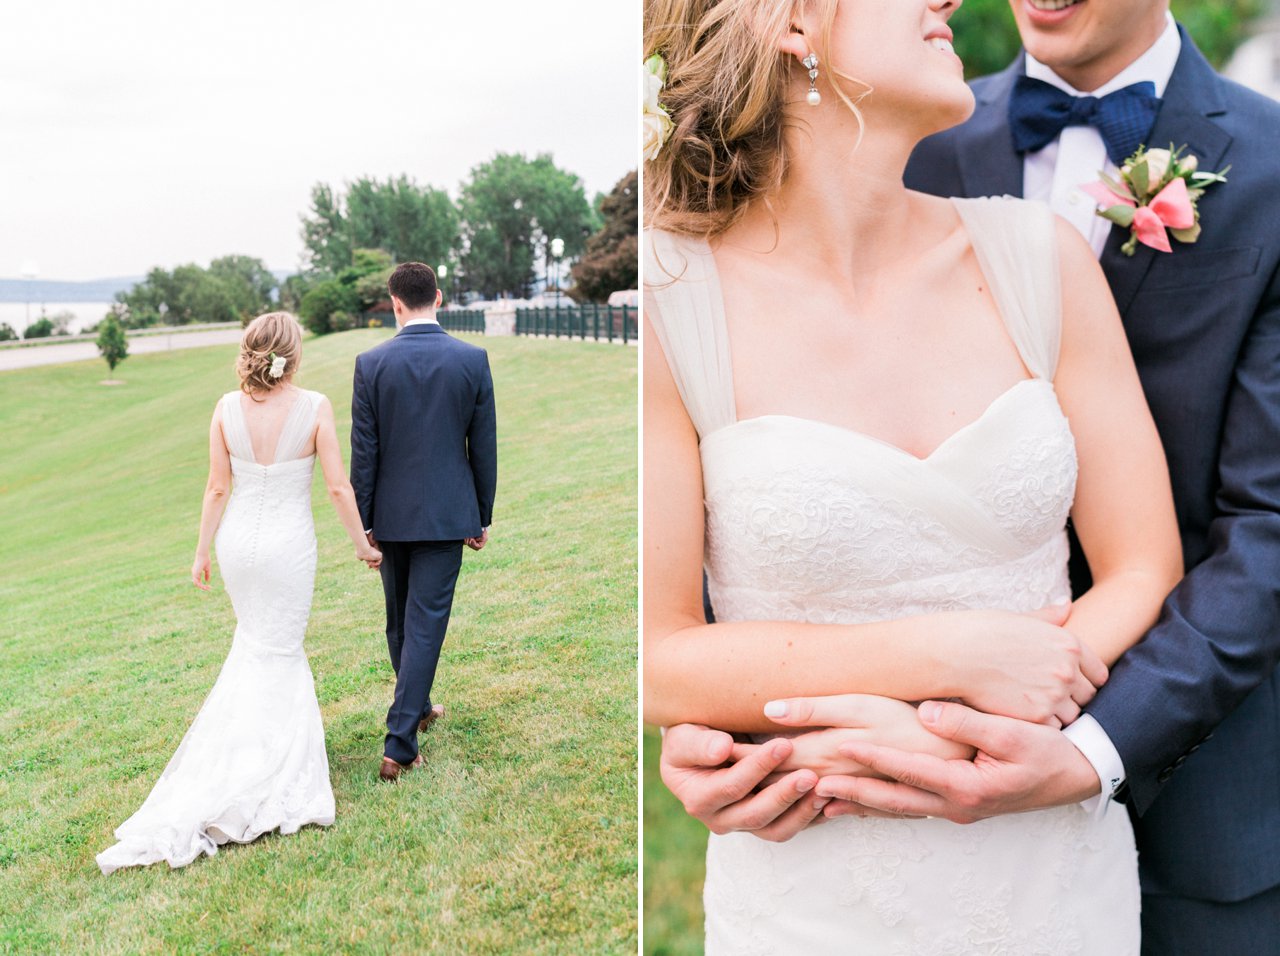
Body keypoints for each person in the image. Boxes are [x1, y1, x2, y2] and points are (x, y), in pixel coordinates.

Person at [663, 2, 1280, 952]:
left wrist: (1068, 740)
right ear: (791, 25)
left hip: (1110, 841)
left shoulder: (1045, 248)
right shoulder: (684, 294)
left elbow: (1187, 547)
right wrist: (734, 720)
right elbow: (679, 623)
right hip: (816, 873)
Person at [97, 312, 382, 875]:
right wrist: (363, 544)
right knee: (278, 649)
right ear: (293, 354)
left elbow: (217, 487)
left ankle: (246, 755)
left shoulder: (226, 408)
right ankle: (271, 773)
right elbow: (335, 485)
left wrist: (202, 551)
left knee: (256, 645)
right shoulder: (315, 407)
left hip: (237, 549)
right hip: (287, 548)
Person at [350, 262, 497, 783]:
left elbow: (363, 454)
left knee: (400, 621)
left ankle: (418, 707)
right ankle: (399, 742)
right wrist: (481, 513)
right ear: (438, 297)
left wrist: (364, 522)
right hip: (446, 514)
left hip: (390, 518)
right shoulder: (471, 360)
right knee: (424, 624)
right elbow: (482, 446)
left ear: (395, 303)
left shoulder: (370, 364)